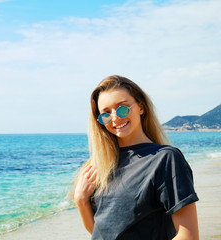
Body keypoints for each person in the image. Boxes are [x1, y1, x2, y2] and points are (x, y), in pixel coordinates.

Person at [71, 75, 199, 239]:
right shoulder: (100, 164)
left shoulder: (165, 159)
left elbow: (188, 236)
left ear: (141, 107)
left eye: (122, 108)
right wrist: (81, 201)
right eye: (106, 113)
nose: (115, 118)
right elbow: (102, 234)